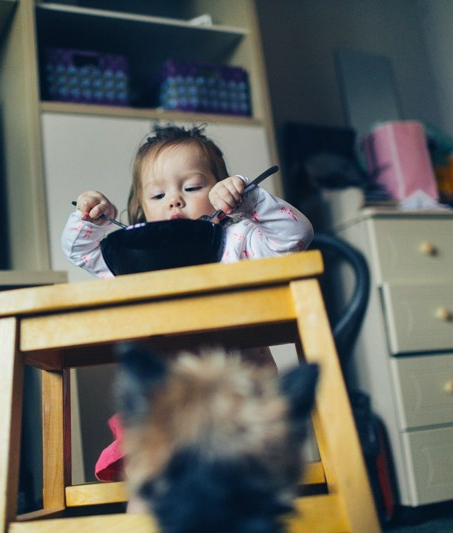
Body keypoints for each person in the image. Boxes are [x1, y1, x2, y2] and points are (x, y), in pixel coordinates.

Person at [60, 123, 314, 483]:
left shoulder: (237, 240)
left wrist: (251, 201)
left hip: (240, 399)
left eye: (192, 187)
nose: (175, 201)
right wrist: (90, 217)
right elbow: (80, 250)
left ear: (223, 193)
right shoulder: (136, 256)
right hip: (166, 406)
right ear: (140, 209)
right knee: (156, 486)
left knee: (242, 488)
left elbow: (296, 236)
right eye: (157, 196)